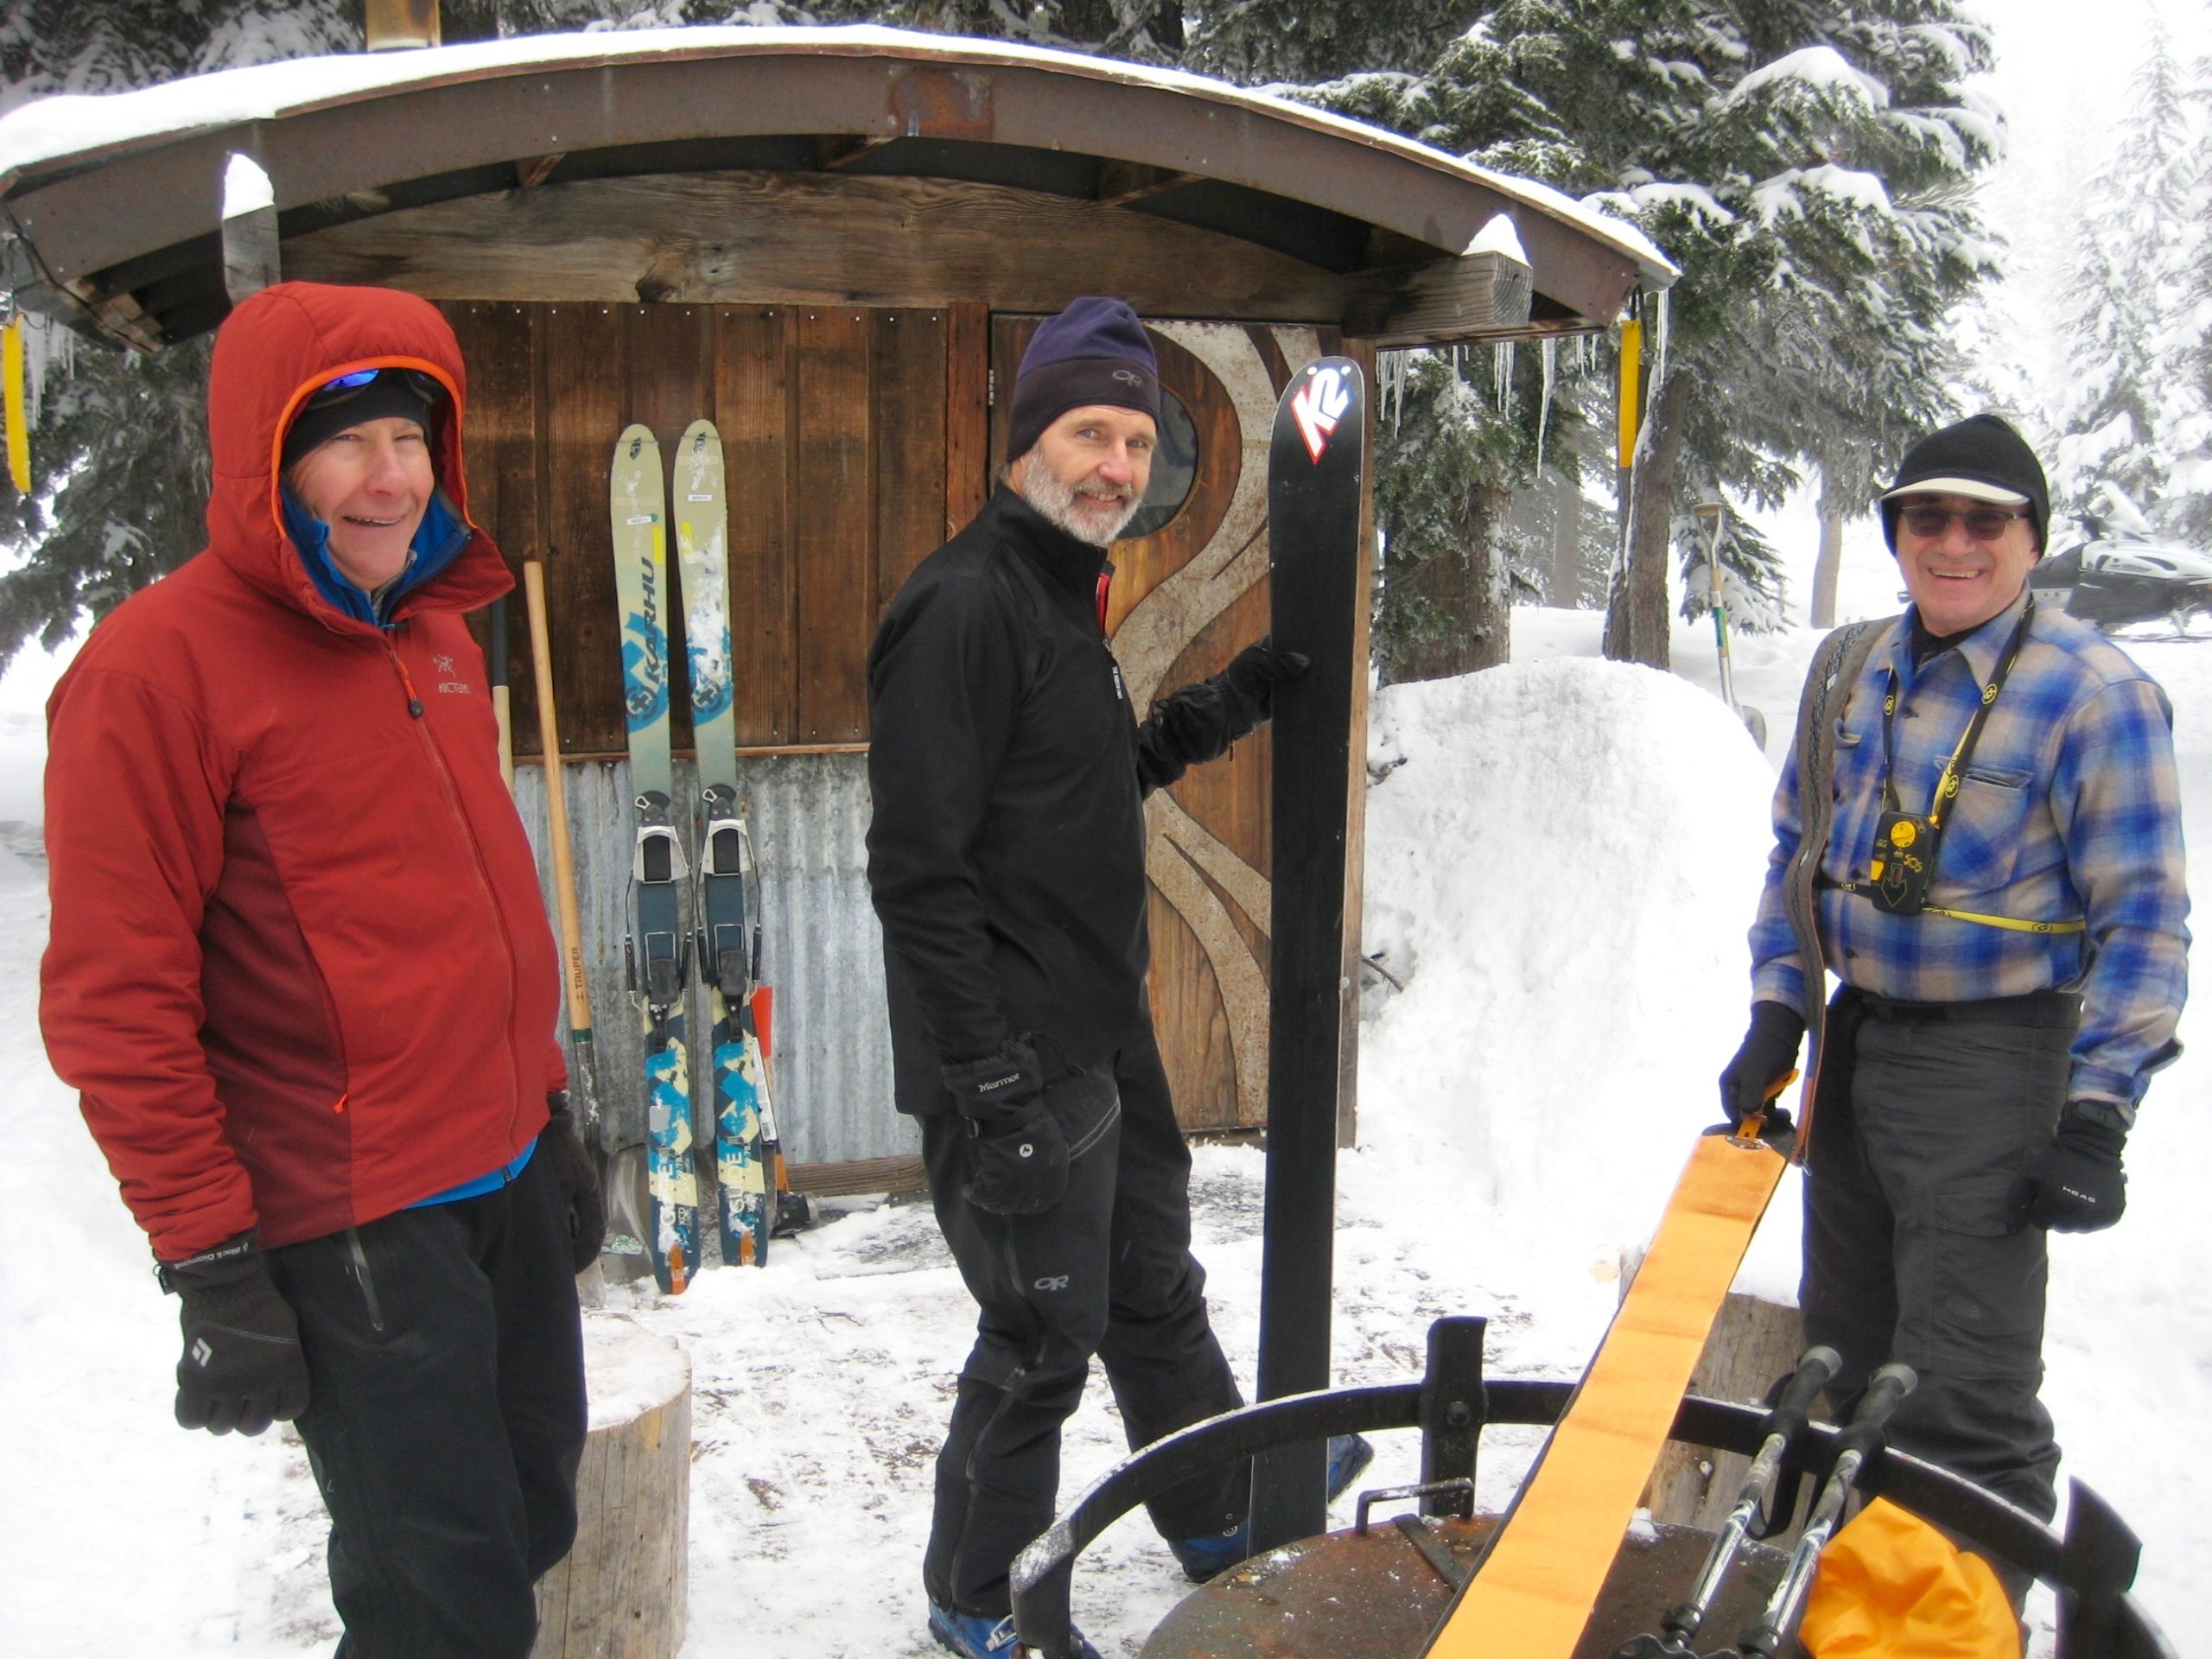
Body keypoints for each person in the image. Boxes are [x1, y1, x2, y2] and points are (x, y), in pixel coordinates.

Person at [40, 280, 605, 1659]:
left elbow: (478, 910)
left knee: (530, 1521)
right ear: (265, 460)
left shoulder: (432, 633)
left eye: (412, 438)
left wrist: (543, 1114)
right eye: (343, 439)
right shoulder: (157, 672)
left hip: (500, 1174)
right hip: (353, 1216)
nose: (390, 476)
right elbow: (119, 1003)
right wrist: (214, 1264)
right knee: (441, 1606)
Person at [866, 296, 1367, 1659]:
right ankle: (976, 1601)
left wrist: (1231, 701)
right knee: (1042, 1332)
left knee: (1152, 1282)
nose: (1116, 467)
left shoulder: (1056, 591)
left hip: (1100, 1029)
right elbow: (917, 873)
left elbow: (1075, 788)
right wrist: (992, 1086)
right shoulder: (964, 605)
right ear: (1028, 439)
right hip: (1017, 1058)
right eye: (1092, 432)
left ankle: (1214, 1517)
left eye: (1137, 442)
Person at [1720, 413, 2188, 1588]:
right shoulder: (1851, 665)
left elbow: (2145, 920)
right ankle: (1848, 1610)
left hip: (1994, 1065)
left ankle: (1963, 1618)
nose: (1956, 542)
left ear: (2032, 540)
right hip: (1858, 1046)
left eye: (1987, 520)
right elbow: (1796, 853)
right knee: (1840, 1362)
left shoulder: (2096, 695)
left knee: (1963, 1396)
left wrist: (2096, 1118)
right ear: (1897, 533)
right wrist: (1781, 1011)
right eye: (1929, 516)